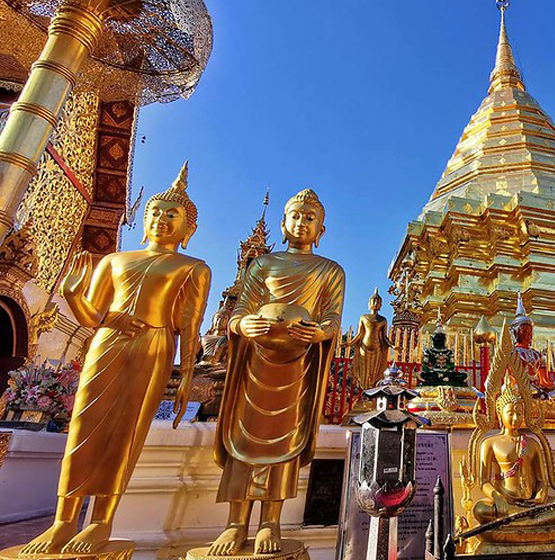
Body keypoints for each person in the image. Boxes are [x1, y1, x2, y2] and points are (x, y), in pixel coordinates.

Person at [22, 163, 211, 555]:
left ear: (188, 229)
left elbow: (189, 325)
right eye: (155, 212)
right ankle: (63, 521)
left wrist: (187, 375)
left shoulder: (192, 267)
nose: (161, 219)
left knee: (127, 430)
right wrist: (75, 296)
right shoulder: (114, 261)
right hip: (106, 342)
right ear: (144, 219)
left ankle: (102, 521)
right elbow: (93, 314)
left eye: (171, 215)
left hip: (154, 345)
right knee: (83, 427)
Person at [210, 189, 345, 556]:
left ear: (322, 229)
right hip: (257, 359)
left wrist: (320, 332)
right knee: (244, 437)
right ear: (284, 223)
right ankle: (235, 523)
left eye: (310, 217)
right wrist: (243, 325)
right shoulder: (262, 266)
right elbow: (240, 311)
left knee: (286, 439)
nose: (302, 222)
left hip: (297, 361)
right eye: (296, 216)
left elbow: (332, 318)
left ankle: (271, 519)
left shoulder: (329, 270)